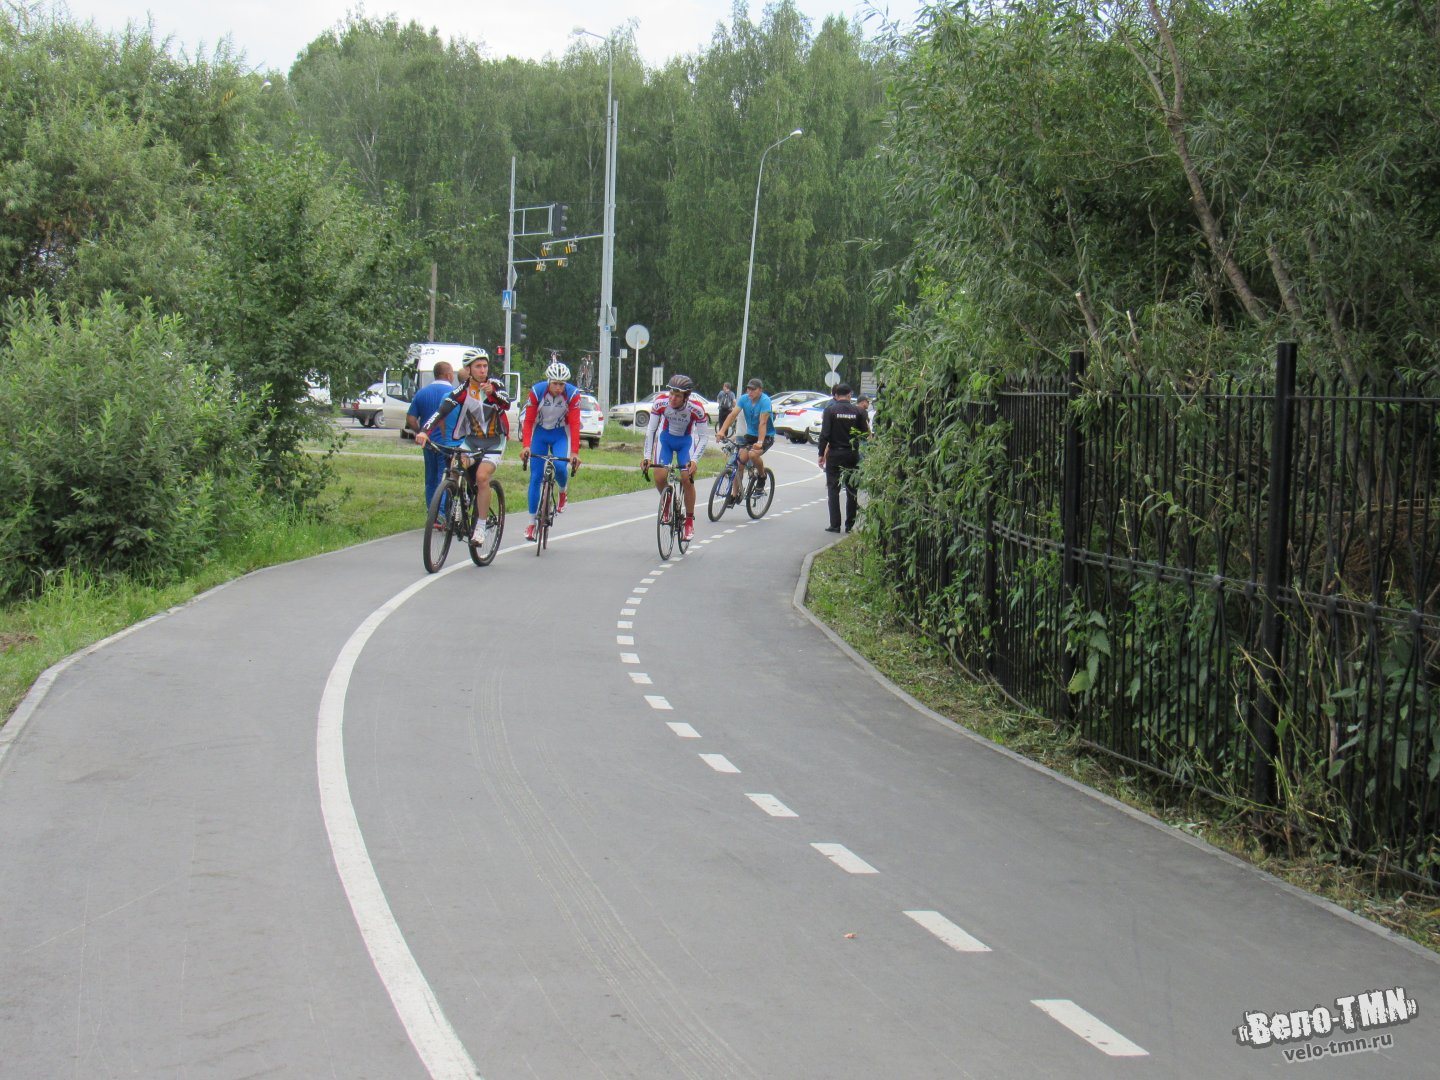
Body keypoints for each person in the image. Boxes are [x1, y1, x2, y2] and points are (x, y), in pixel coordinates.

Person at [415, 350, 510, 549]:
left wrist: (492, 394)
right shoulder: (462, 391)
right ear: (468, 370)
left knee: (482, 477)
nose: (483, 370)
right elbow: (441, 412)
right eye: (478, 366)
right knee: (455, 467)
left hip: (494, 443)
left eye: (485, 366)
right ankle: (461, 500)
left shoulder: (495, 385)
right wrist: (424, 431)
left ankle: (481, 527)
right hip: (471, 441)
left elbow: (506, 403)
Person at [520, 359, 583, 542]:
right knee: (536, 476)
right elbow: (529, 421)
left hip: (560, 434)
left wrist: (574, 452)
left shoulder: (572, 394)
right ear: (549, 381)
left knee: (561, 467)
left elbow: (575, 424)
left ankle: (562, 492)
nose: (558, 387)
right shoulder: (537, 391)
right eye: (555, 383)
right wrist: (526, 445)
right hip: (540, 433)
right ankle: (531, 524)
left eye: (561, 384)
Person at [641, 374, 710, 542]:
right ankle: (667, 501)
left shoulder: (696, 409)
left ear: (686, 397)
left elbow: (704, 437)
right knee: (659, 476)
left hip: (685, 443)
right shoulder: (660, 403)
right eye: (671, 393)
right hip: (666, 440)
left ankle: (688, 521)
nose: (672, 398)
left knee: (687, 478)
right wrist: (647, 457)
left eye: (677, 396)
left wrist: (694, 460)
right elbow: (651, 430)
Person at [816, 383, 870, 533]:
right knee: (852, 489)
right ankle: (849, 525)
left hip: (834, 454)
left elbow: (824, 435)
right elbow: (864, 434)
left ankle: (835, 525)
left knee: (833, 489)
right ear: (849, 395)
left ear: (836, 395)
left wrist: (821, 454)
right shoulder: (858, 411)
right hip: (852, 454)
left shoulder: (830, 411)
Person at [407, 360, 458, 512]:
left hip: (428, 443)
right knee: (444, 477)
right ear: (449, 375)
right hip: (447, 443)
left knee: (430, 479)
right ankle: (442, 511)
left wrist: (421, 431)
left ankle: (432, 513)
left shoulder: (422, 393)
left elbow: (410, 418)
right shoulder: (455, 394)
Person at [715, 376, 775, 502]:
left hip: (765, 435)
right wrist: (721, 431)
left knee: (753, 455)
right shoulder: (744, 399)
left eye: (753, 390)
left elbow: (763, 423)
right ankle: (734, 494)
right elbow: (732, 415)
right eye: (748, 389)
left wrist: (759, 442)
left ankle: (762, 477)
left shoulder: (765, 401)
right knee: (740, 462)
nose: (750, 392)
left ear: (760, 390)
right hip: (751, 435)